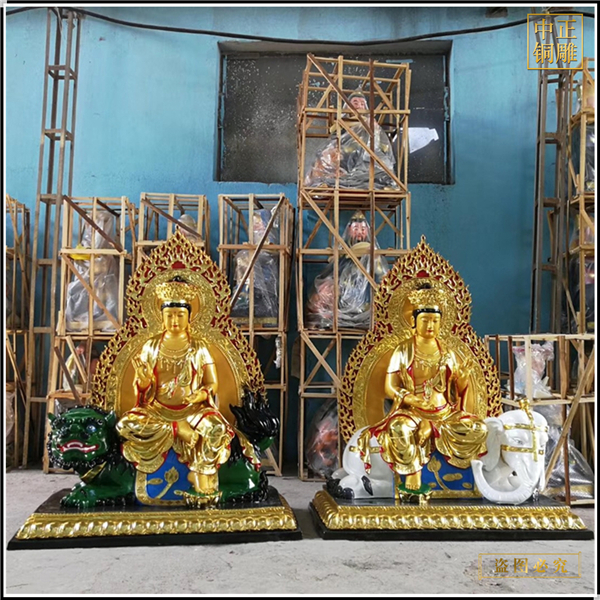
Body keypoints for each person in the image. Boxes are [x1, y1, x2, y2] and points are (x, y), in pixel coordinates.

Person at [116, 276, 260, 506]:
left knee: (216, 429)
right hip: (157, 411)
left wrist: (201, 394)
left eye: (180, 315)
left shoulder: (199, 347)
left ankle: (202, 476)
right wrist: (143, 381)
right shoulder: (151, 346)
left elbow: (212, 383)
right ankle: (177, 429)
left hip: (193, 411)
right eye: (169, 315)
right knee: (125, 425)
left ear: (190, 317)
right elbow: (142, 389)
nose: (174, 320)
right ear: (161, 316)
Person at [355, 284, 488, 494]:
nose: (430, 325)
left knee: (479, 428)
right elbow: (390, 387)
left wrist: (462, 379)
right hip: (413, 412)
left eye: (435, 320)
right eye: (425, 320)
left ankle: (437, 436)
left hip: (444, 414)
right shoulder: (403, 350)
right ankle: (412, 471)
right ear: (413, 321)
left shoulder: (447, 352)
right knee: (399, 429)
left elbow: (457, 390)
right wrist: (411, 399)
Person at [304, 90, 398, 190]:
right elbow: (335, 140)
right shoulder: (341, 123)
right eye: (355, 102)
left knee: (383, 168)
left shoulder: (371, 124)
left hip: (367, 159)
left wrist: (375, 131)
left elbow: (382, 146)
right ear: (347, 106)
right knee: (326, 161)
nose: (359, 106)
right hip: (346, 158)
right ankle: (330, 182)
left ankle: (382, 184)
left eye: (362, 104)